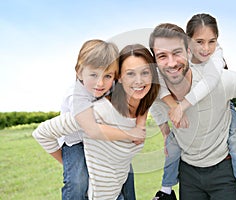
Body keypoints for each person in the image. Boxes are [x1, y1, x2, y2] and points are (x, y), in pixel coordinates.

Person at [149, 23, 236, 200]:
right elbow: (150, 101)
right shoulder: (155, 90)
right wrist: (165, 132)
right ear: (155, 61)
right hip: (188, 174)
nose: (172, 62)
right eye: (162, 56)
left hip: (224, 170)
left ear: (189, 51)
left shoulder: (221, 81)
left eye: (177, 52)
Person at [33, 43, 160, 199]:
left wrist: (140, 124)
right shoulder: (79, 100)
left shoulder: (114, 87)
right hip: (74, 140)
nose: (100, 83)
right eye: (130, 74)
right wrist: (130, 134)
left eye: (107, 76)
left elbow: (144, 98)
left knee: (127, 177)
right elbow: (91, 129)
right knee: (78, 181)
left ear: (114, 76)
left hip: (98, 142)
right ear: (79, 73)